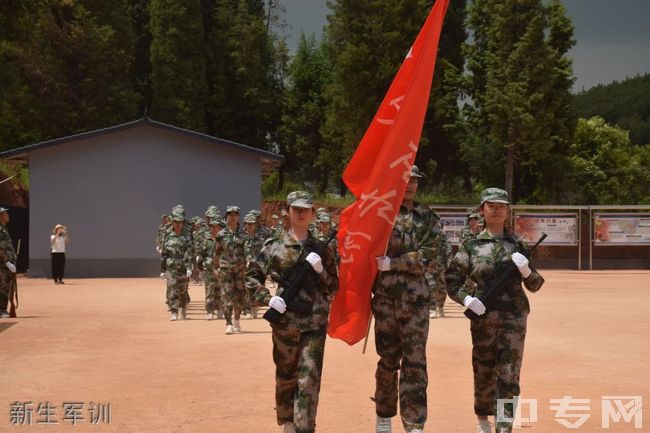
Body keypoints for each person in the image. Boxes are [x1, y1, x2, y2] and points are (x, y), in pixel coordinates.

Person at [445, 188, 544, 433]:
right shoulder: (471, 246)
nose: (497, 209)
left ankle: (504, 426)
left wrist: (526, 272)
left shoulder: (518, 245)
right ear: (482, 210)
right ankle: (483, 421)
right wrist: (466, 299)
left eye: (502, 205)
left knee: (510, 374)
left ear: (508, 211)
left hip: (514, 318)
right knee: (483, 370)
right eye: (492, 205)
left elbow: (535, 284)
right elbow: (451, 279)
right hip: (483, 318)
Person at [246, 191, 338, 433]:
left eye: (305, 209)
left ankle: (304, 428)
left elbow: (334, 287)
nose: (300, 212)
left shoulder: (321, 248)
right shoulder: (274, 246)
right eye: (296, 208)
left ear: (313, 214)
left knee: (309, 380)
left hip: (315, 323)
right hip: (285, 323)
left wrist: (321, 271)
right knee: (286, 376)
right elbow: (251, 277)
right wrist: (268, 299)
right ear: (288, 211)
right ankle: (287, 422)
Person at [373, 166, 437, 433]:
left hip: (416, 303)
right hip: (386, 301)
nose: (409, 185)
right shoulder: (382, 215)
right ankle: (384, 415)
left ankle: (414, 422)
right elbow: (368, 248)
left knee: (415, 363)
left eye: (414, 181)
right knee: (388, 361)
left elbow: (431, 254)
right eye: (405, 180)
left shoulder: (428, 218)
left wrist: (395, 263)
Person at [213, 205, 247, 334]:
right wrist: (215, 268)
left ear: (238, 217)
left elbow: (247, 251)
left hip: (240, 271)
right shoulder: (221, 235)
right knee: (227, 296)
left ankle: (237, 318)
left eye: (235, 215)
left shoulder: (244, 234)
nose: (232, 217)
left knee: (240, 297)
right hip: (226, 270)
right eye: (230, 215)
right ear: (226, 217)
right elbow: (216, 252)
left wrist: (249, 263)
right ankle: (228, 323)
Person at [160, 208, 193, 321]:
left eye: (180, 222)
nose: (178, 224)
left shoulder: (187, 235)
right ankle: (174, 311)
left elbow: (189, 252)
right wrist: (162, 269)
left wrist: (189, 267)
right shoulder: (168, 235)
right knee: (172, 287)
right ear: (173, 222)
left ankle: (183, 308)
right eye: (176, 222)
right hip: (171, 267)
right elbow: (164, 253)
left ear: (183, 223)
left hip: (183, 266)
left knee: (182, 290)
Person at [425, 215, 452, 319]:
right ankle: (432, 308)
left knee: (441, 288)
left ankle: (440, 306)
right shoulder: (426, 237)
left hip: (441, 267)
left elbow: (449, 252)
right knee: (430, 286)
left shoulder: (444, 238)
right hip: (429, 266)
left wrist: (449, 265)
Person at [197, 217, 224, 320]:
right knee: (209, 290)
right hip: (209, 269)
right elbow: (201, 256)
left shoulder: (223, 240)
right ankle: (210, 311)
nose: (214, 229)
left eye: (216, 227)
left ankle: (220, 310)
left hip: (221, 269)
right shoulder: (206, 241)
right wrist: (200, 269)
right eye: (212, 227)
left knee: (220, 290)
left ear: (220, 228)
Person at [0, 207, 17, 318]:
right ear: (0, 216)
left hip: (6, 262)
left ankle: (2, 309)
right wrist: (6, 262)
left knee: (6, 286)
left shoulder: (4, 229)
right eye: (6, 214)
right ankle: (1, 310)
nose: (8, 215)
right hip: (2, 263)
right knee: (2, 285)